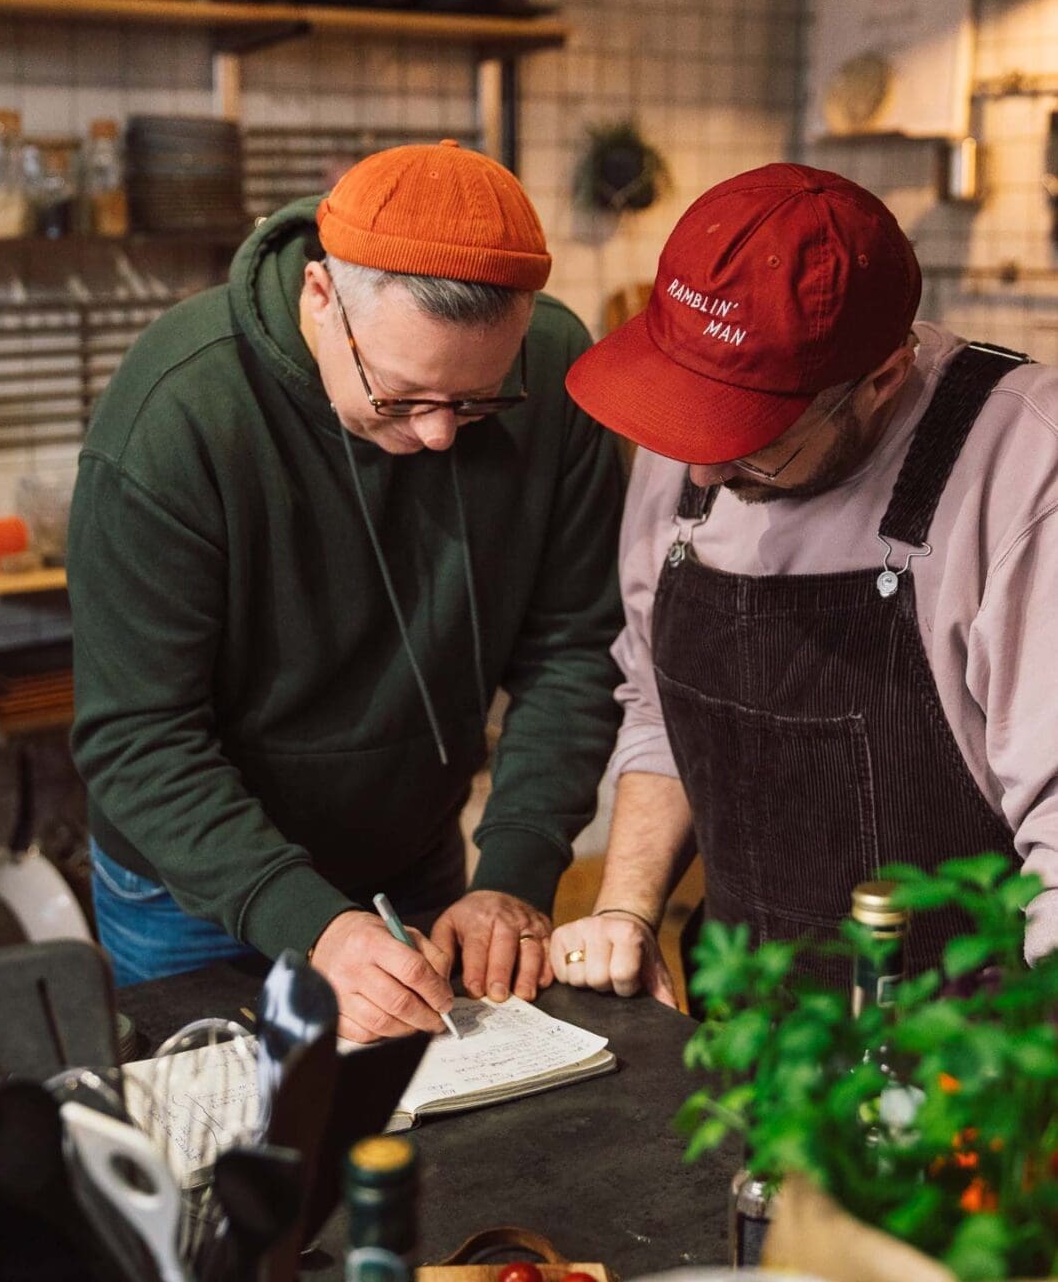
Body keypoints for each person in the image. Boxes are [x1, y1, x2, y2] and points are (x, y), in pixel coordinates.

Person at [68, 138, 624, 1042]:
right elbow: (138, 735)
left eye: (477, 400)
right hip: (198, 891)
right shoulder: (177, 413)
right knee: (228, 1127)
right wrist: (309, 922)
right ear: (321, 297)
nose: (440, 436)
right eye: (402, 397)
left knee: (434, 1127)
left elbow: (574, 648)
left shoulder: (555, 367)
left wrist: (513, 874)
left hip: (413, 859)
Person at [550, 161, 1058, 1004]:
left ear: (881, 381)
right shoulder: (690, 448)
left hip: (957, 1038)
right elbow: (657, 709)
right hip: (738, 1005)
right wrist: (625, 911)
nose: (702, 473)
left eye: (752, 438)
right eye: (689, 427)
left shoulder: (1025, 469)